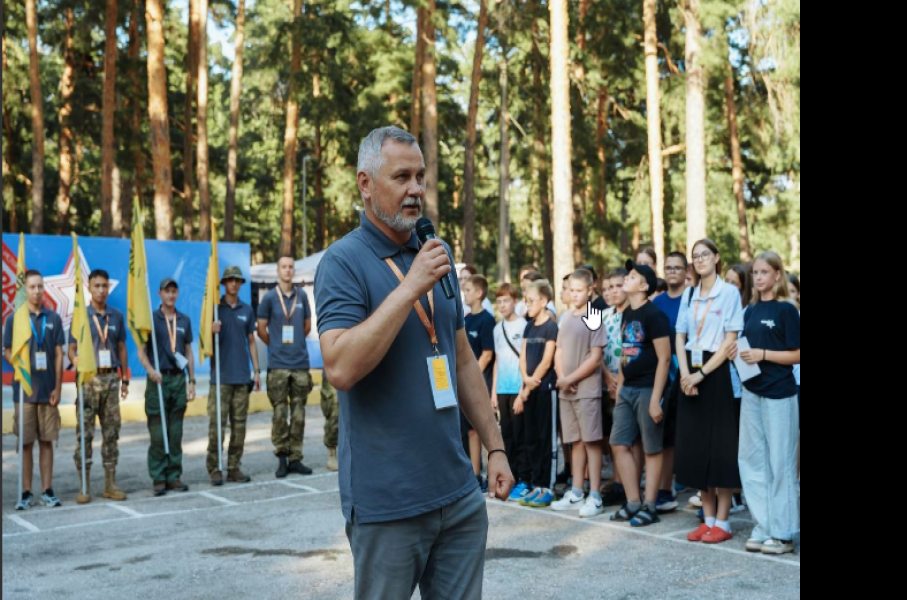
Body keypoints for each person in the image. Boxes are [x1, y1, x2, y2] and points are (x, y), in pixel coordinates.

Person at [315, 126, 513, 599]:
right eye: (402, 176)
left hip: (459, 495)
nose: (416, 190)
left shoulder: (433, 249)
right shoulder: (342, 262)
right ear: (365, 183)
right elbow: (340, 368)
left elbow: (461, 357)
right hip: (389, 504)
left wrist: (495, 446)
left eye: (420, 177)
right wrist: (409, 288)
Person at [729, 252, 801, 556]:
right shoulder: (750, 310)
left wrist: (762, 354)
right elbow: (744, 348)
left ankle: (783, 533)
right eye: (755, 273)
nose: (758, 278)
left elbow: (797, 354)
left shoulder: (787, 310)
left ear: (776, 275)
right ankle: (763, 525)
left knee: (780, 463)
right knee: (751, 460)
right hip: (752, 393)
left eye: (764, 272)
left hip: (780, 394)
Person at [675, 240, 744, 544]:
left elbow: (730, 341)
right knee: (697, 447)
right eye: (696, 256)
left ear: (716, 257)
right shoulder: (689, 293)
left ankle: (725, 522)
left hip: (715, 373)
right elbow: (680, 335)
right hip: (690, 369)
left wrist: (700, 374)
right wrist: (685, 373)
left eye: (705, 254)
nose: (700, 259)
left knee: (721, 450)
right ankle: (709, 519)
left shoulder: (729, 293)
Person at [609, 261, 671, 528]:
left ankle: (649, 505)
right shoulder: (627, 314)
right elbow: (625, 351)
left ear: (644, 287)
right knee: (618, 443)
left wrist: (656, 399)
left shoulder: (654, 315)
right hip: (628, 388)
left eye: (632, 276)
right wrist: (621, 386)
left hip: (648, 388)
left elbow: (665, 358)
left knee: (652, 448)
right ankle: (633, 501)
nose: (626, 277)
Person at [4, 271, 65, 509]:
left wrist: (58, 388)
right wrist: (19, 366)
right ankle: (27, 491)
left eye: (40, 286)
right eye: (32, 287)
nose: (37, 291)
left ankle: (47, 490)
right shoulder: (15, 319)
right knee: (26, 443)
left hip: (48, 390)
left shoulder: (54, 318)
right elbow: (7, 350)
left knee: (47, 441)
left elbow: (59, 354)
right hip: (24, 391)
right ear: (25, 290)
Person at [67, 269, 129, 503]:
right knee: (85, 434)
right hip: (88, 382)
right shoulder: (81, 316)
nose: (101, 290)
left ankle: (110, 484)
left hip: (112, 379)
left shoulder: (117, 316)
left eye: (104, 286)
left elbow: (121, 348)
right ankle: (84, 485)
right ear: (89, 288)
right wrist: (75, 361)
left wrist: (125, 379)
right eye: (97, 286)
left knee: (111, 433)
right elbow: (71, 348)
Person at [550, 270, 607, 518]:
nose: (574, 294)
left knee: (591, 441)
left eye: (579, 290)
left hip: (586, 389)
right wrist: (562, 377)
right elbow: (559, 350)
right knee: (575, 441)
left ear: (590, 290)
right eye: (571, 290)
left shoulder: (592, 315)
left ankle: (595, 495)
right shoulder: (566, 316)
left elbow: (595, 357)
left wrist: (571, 379)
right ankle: (576, 490)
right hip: (567, 389)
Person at [136, 278, 196, 497]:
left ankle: (174, 476)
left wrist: (191, 380)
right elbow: (141, 351)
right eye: (167, 291)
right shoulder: (151, 320)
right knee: (158, 433)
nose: (171, 295)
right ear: (160, 293)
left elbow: (188, 351)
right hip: (158, 381)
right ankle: (159, 477)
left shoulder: (184, 320)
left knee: (175, 431)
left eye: (174, 291)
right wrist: (151, 370)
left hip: (178, 380)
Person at [258, 256, 315, 478]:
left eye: (291, 267)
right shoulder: (270, 298)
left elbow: (307, 326)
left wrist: (294, 341)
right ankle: (282, 458)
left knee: (299, 414)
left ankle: (296, 459)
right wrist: (276, 345)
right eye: (284, 267)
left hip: (300, 363)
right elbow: (262, 328)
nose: (288, 270)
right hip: (278, 365)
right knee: (280, 414)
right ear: (278, 270)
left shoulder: (302, 296)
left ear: (294, 270)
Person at [207, 266, 261, 486]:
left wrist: (256, 371)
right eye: (230, 280)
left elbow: (251, 341)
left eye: (237, 280)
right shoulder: (214, 310)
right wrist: (210, 331)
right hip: (220, 378)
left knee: (239, 427)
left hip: (241, 377)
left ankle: (233, 467)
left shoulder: (247, 310)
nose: (234, 284)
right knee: (216, 426)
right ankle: (214, 468)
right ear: (223, 283)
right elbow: (204, 344)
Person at [651, 252, 690, 513]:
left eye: (677, 267)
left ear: (686, 270)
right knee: (665, 436)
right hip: (664, 374)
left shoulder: (695, 297)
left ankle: (697, 487)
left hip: (692, 371)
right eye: (668, 267)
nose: (673, 271)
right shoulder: (657, 303)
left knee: (689, 433)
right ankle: (664, 489)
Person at [516, 279, 559, 508]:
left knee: (545, 439)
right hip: (530, 389)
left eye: (531, 301)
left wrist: (530, 386)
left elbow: (546, 361)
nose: (527, 305)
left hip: (544, 390)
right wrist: (525, 380)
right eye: (526, 300)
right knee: (531, 438)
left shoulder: (551, 326)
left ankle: (547, 486)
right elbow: (522, 357)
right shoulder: (529, 326)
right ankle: (535, 483)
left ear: (544, 301)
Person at [492, 283, 531, 502]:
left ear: (515, 301)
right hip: (502, 389)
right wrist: (493, 392)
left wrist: (522, 392)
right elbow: (497, 360)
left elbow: (525, 360)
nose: (502, 305)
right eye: (499, 301)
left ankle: (525, 478)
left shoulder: (524, 326)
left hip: (518, 389)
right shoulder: (497, 328)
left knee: (520, 436)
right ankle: (512, 476)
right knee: (506, 436)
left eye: (506, 300)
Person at [463, 274, 496, 490]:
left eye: (467, 290)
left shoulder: (487, 319)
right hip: (465, 381)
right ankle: (475, 474)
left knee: (484, 427)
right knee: (470, 430)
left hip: (480, 379)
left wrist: (472, 375)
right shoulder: (465, 320)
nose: (464, 293)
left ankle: (492, 472)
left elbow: (487, 353)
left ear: (479, 293)